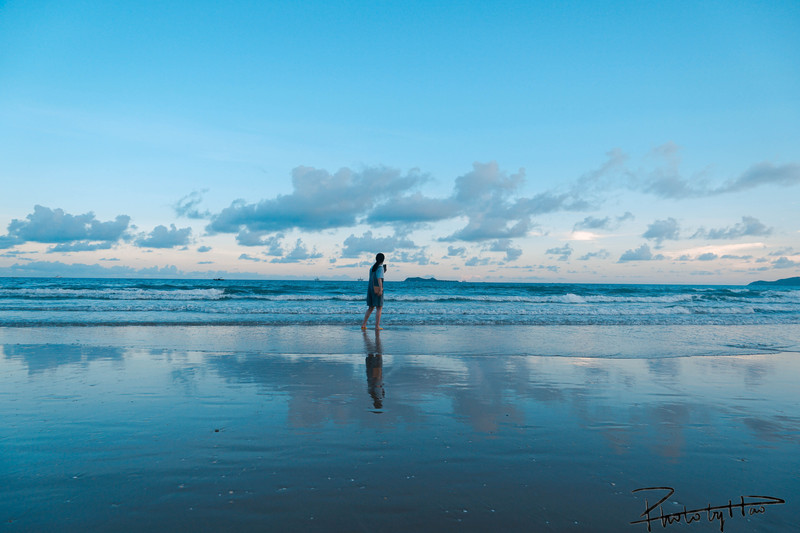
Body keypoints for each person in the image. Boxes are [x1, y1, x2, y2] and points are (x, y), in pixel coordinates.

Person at [361, 252, 385, 330]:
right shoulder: (380, 268)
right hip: (377, 289)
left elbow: (374, 277)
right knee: (379, 308)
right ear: (383, 260)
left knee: (371, 308)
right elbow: (379, 279)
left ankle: (364, 325)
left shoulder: (372, 267)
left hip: (370, 289)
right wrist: (381, 289)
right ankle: (377, 326)